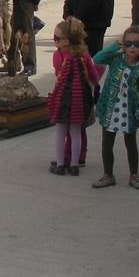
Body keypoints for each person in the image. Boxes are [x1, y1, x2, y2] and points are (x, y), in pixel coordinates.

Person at [90, 25, 139, 190]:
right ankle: (108, 174)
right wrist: (116, 43)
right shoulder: (115, 59)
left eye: (137, 44)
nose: (132, 47)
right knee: (107, 143)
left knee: (131, 143)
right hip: (110, 109)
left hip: (128, 112)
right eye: (128, 43)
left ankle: (134, 175)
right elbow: (97, 58)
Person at [46, 17, 100, 177]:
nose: (54, 41)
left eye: (57, 38)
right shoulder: (84, 53)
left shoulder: (59, 55)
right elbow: (94, 75)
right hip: (80, 99)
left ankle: (61, 163)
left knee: (60, 132)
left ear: (68, 41)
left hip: (62, 98)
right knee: (76, 132)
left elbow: (57, 72)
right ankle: (75, 164)